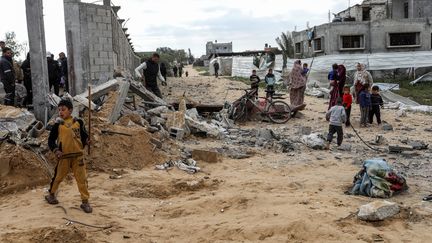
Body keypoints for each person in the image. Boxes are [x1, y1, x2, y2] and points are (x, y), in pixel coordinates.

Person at [46, 99, 92, 213]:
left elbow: (84, 136)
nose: (61, 112)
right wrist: (56, 150)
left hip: (78, 156)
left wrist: (87, 140)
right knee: (58, 177)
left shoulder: (78, 122)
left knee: (82, 179)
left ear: (70, 110)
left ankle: (85, 202)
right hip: (64, 157)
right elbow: (51, 140)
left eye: (63, 110)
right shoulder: (58, 125)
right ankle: (51, 195)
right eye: (59, 110)